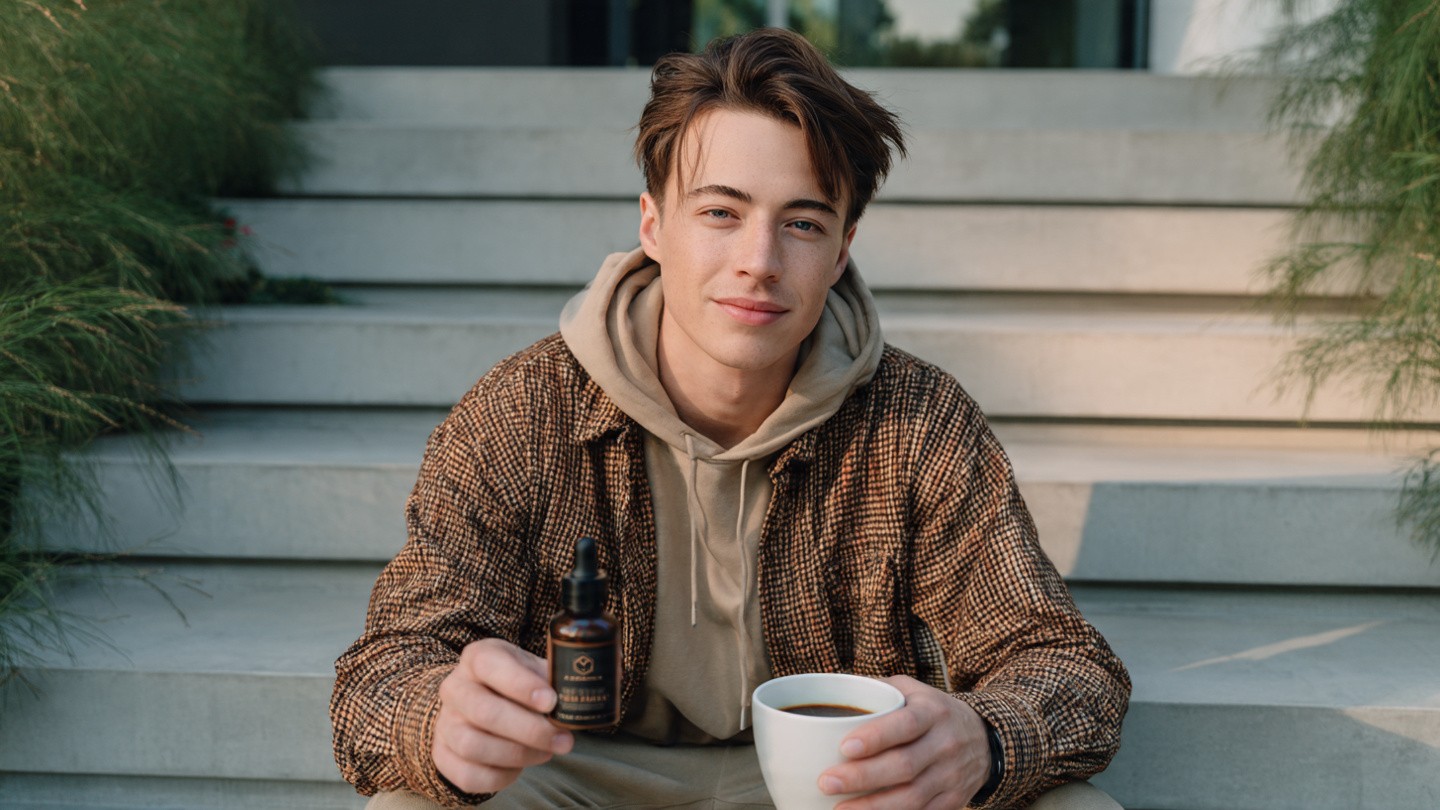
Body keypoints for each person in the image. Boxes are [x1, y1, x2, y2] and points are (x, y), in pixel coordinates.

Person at [330, 27, 1130, 810]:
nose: (759, 261)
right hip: (573, 772)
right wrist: (438, 720)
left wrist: (986, 742)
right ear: (653, 225)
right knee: (409, 804)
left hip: (837, 781)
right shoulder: (523, 411)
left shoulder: (917, 421)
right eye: (721, 212)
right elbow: (383, 670)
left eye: (803, 223)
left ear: (842, 251)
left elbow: (1061, 659)